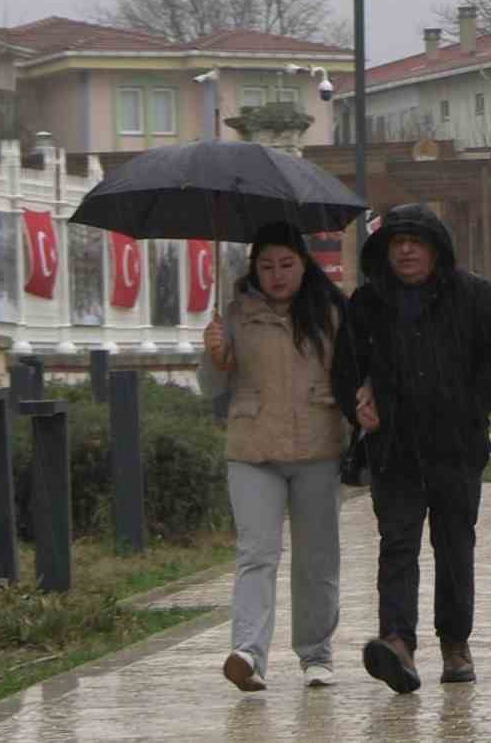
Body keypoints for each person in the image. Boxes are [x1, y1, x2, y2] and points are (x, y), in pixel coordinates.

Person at [331, 204, 491, 695]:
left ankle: (455, 644)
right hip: (393, 448)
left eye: (416, 240)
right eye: (397, 241)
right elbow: (344, 367)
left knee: (454, 547)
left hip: (455, 447)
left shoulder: (473, 295)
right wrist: (358, 404)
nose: (407, 249)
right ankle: (397, 642)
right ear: (385, 250)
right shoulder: (367, 304)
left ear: (436, 248)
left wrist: (471, 405)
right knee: (397, 546)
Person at [200, 221, 349, 692]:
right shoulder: (235, 316)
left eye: (286, 264)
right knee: (256, 553)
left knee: (317, 559)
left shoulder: (332, 313)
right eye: (266, 266)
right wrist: (214, 354)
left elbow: (353, 374)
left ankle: (316, 653)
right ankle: (248, 653)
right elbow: (210, 387)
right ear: (254, 270)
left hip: (317, 448)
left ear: (304, 264)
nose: (277, 274)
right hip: (252, 449)